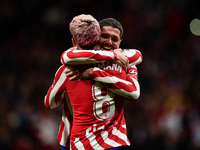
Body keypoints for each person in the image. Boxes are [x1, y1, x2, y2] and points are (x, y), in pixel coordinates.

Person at [45, 15, 142, 150]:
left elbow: (49, 102)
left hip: (82, 141)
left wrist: (90, 74)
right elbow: (137, 55)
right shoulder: (126, 64)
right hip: (93, 141)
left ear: (120, 42)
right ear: (96, 36)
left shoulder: (69, 69)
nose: (109, 42)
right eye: (105, 36)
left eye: (114, 39)